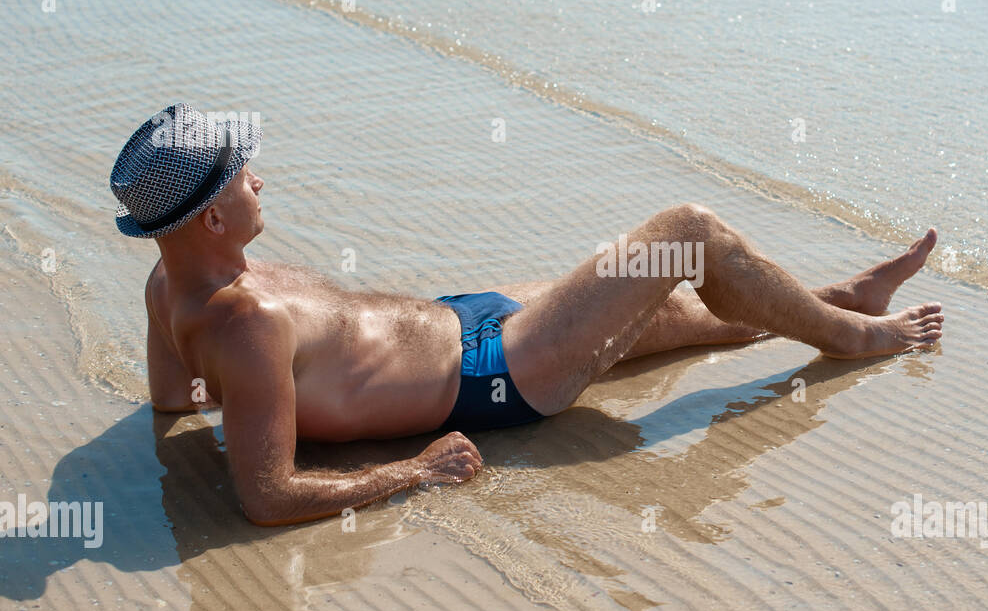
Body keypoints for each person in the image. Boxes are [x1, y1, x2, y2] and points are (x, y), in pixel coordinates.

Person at [112, 103, 943, 526]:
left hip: (467, 322)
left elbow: (171, 405)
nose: (260, 177)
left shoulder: (172, 285)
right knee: (687, 235)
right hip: (498, 376)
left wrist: (253, 397)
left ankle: (833, 298)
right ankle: (856, 335)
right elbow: (266, 495)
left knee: (656, 307)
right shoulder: (244, 323)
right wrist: (415, 470)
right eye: (242, 174)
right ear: (210, 221)